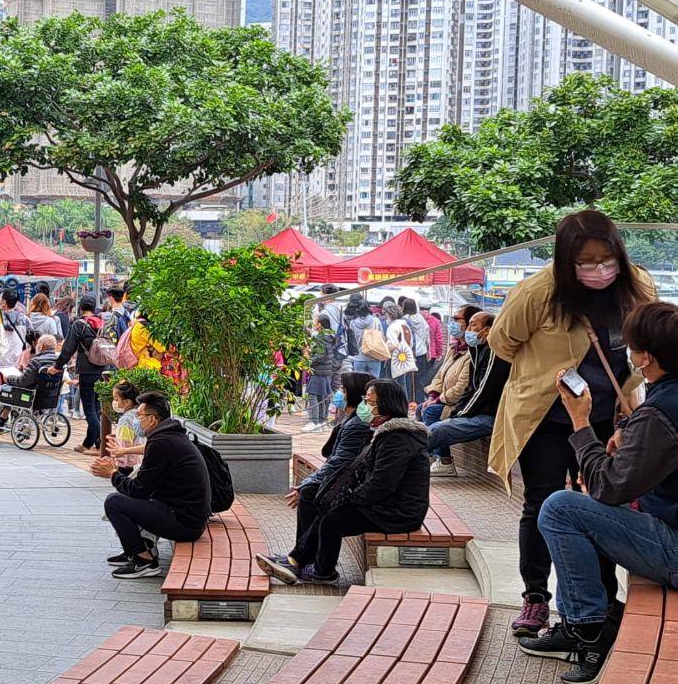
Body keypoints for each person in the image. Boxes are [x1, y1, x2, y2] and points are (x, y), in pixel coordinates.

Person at [487, 210, 655, 638]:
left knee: (600, 506)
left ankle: (598, 599)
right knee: (542, 503)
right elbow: (501, 341)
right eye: (586, 262)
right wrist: (548, 372)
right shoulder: (538, 292)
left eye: (606, 259)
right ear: (566, 261)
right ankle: (536, 599)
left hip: (605, 415)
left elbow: (647, 339)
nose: (599, 269)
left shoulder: (637, 285)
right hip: (545, 416)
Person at [518, 302, 678, 684]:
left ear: (646, 358)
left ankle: (589, 632)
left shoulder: (660, 411)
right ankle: (591, 619)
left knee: (559, 508)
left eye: (632, 346)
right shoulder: (664, 404)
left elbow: (607, 487)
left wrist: (580, 421)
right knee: (579, 508)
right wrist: (632, 442)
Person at [256, 379, 430, 585]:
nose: (365, 406)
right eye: (365, 400)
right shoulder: (384, 433)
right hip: (384, 502)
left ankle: (322, 571)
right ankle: (298, 559)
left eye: (371, 402)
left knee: (332, 519)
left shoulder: (398, 439)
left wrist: (348, 499)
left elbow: (381, 485)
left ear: (387, 405)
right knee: (315, 495)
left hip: (399, 511)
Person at [259, 372, 374, 579]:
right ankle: (302, 561)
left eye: (343, 390)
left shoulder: (358, 425)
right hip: (346, 481)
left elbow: (340, 462)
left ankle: (302, 561)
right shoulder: (351, 420)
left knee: (316, 497)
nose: (338, 394)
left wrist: (308, 482)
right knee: (310, 493)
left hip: (354, 488)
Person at [93, 392, 210, 579]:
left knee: (114, 502)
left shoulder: (162, 443)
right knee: (124, 497)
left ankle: (144, 561)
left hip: (185, 523)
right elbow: (149, 476)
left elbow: (140, 490)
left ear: (152, 420)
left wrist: (113, 474)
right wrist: (117, 471)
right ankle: (138, 549)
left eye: (138, 416)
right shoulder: (169, 437)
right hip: (187, 516)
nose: (136, 421)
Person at [425, 311, 509, 474]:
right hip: (473, 412)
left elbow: (484, 390)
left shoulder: (495, 353)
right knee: (432, 424)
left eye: (473, 325)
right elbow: (469, 388)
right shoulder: (476, 350)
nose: (468, 329)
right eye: (468, 324)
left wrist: (458, 414)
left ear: (487, 330)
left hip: (491, 416)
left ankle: (440, 462)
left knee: (437, 431)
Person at [51, 297, 108, 452]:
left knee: (89, 408)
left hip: (87, 371)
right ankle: (88, 444)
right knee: (96, 408)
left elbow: (68, 348)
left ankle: (101, 445)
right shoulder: (103, 323)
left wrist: (57, 366)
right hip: (105, 370)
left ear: (81, 308)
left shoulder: (79, 324)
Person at [92, 378, 147, 473]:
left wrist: (118, 463)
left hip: (127, 465)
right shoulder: (139, 415)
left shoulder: (125, 420)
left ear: (127, 402)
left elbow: (124, 443)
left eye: (116, 399)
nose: (114, 402)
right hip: (139, 462)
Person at [305, 314, 340, 431]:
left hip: (318, 370)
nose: (314, 324)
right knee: (322, 396)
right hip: (326, 370)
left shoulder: (320, 337)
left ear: (319, 324)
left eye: (315, 321)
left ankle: (314, 422)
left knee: (312, 395)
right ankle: (322, 420)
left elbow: (319, 355)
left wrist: (308, 361)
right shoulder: (329, 336)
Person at [344, 295, 384, 377]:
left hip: (359, 357)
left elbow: (351, 338)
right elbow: (382, 338)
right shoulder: (376, 321)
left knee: (359, 384)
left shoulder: (353, 322)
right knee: (374, 384)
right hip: (374, 356)